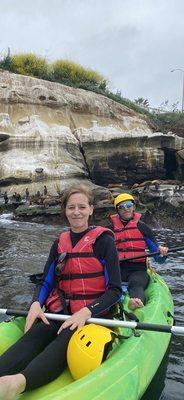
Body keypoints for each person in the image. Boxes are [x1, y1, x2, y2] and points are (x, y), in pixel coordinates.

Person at [0, 184, 122, 400]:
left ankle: (16, 384)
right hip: (61, 310)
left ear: (91, 209)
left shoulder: (104, 241)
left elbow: (114, 290)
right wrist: (35, 304)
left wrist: (86, 312)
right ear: (65, 210)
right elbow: (46, 282)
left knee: (65, 337)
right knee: (37, 333)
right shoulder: (59, 243)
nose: (76, 212)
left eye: (82, 207)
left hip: (92, 314)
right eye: (71, 207)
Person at [109, 193, 168, 311]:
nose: (126, 208)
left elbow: (158, 259)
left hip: (138, 270)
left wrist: (162, 254)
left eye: (129, 205)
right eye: (121, 207)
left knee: (135, 283)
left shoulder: (143, 228)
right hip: (117, 269)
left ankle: (136, 304)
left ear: (134, 207)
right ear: (117, 211)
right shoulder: (109, 230)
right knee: (107, 286)